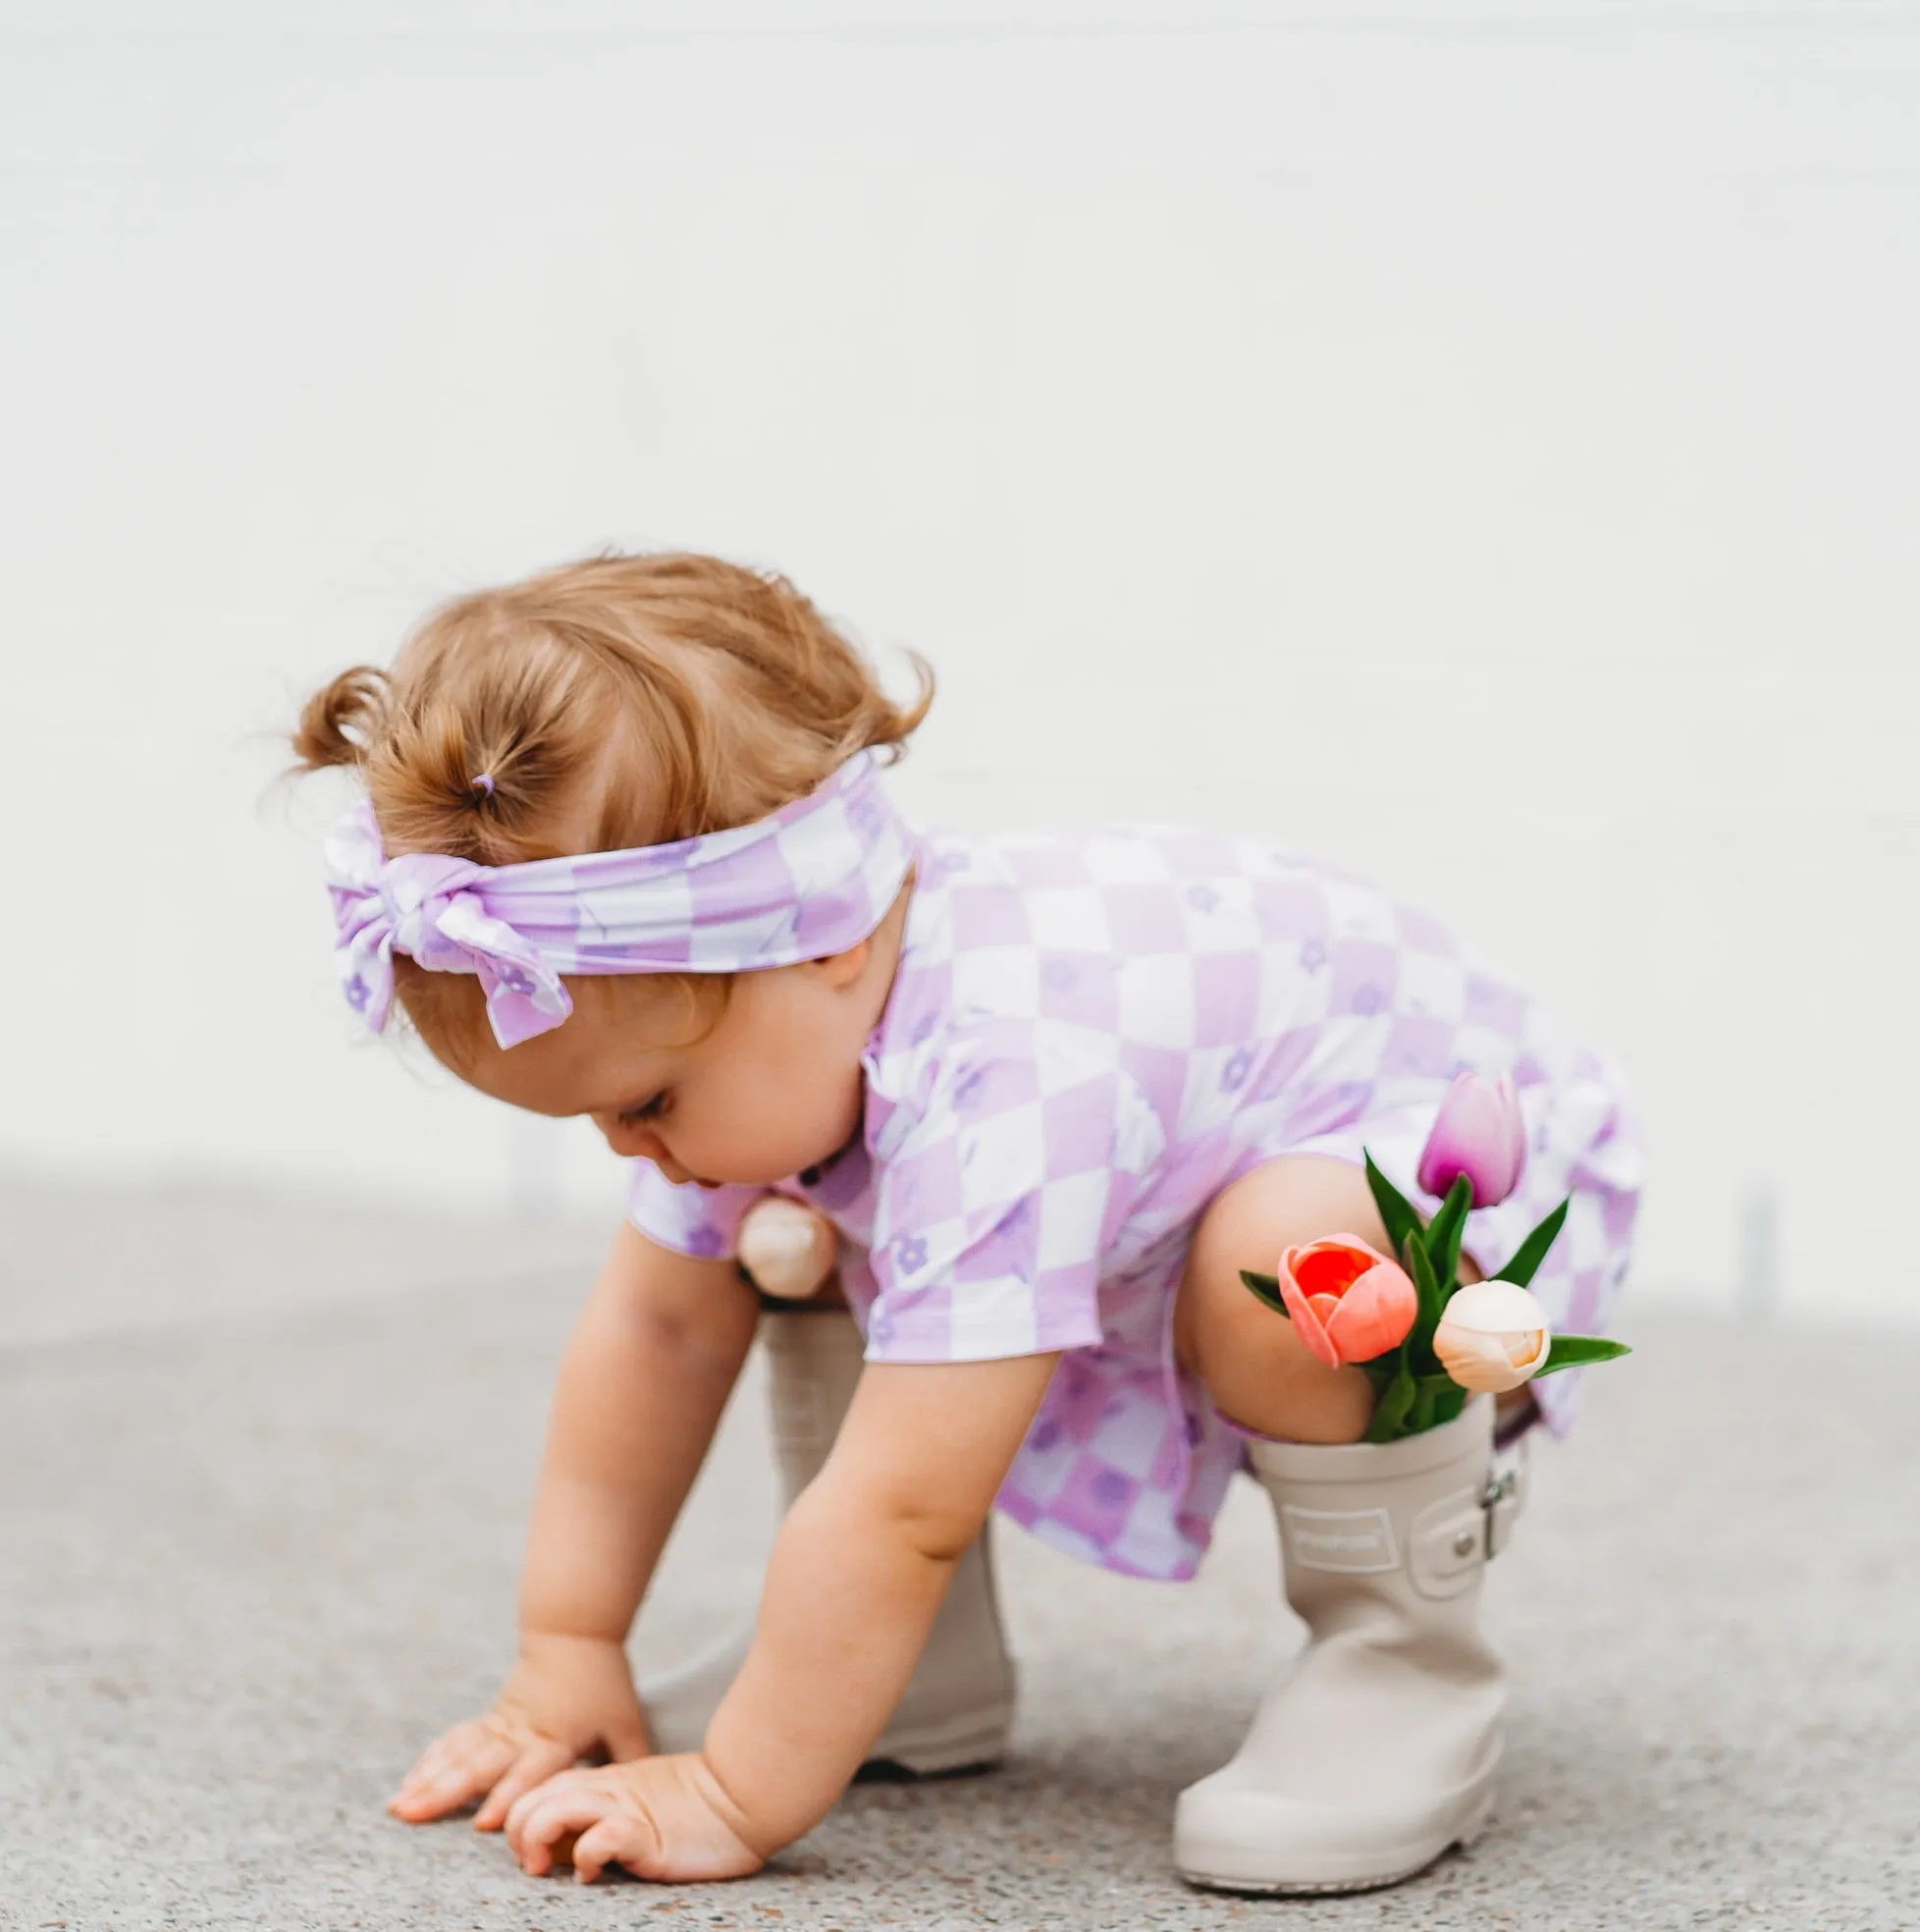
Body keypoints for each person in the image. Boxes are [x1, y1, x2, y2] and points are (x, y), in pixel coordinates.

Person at [292, 550, 1640, 1895]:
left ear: (819, 940)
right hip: (1152, 1166)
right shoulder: (772, 1023)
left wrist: (737, 1789)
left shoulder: (1011, 1073)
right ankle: (908, 1670)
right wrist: (566, 1652)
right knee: (768, 1212)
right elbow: (652, 1333)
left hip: (1448, 1171)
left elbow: (904, 1507)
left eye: (644, 1101)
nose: (632, 1149)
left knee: (1283, 1260)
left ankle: (1400, 1660)